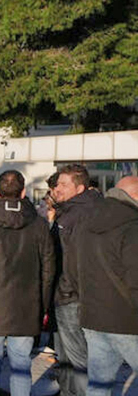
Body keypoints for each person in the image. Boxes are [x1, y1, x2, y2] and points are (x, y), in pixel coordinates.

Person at [0, 170, 56, 396]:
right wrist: (43, 305)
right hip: (26, 305)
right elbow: (48, 270)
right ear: (23, 192)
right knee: (21, 365)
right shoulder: (39, 225)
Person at [74, 176, 138, 396]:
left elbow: (73, 267)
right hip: (127, 320)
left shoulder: (87, 221)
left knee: (99, 386)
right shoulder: (132, 226)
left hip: (94, 316)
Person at [51, 164, 100, 396]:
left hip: (72, 296)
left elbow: (75, 258)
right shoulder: (75, 209)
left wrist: (67, 289)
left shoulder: (77, 214)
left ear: (79, 188)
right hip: (72, 294)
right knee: (67, 355)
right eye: (57, 183)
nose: (57, 188)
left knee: (78, 358)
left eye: (63, 184)